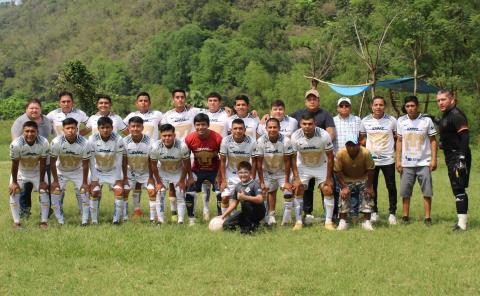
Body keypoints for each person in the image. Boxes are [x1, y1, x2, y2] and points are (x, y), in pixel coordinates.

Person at [290, 89, 335, 224]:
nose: (307, 126)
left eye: (310, 124)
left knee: (327, 188)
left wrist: (328, 177)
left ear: (315, 123)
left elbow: (330, 157)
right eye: (304, 124)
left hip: (321, 164)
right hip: (303, 165)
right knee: (298, 188)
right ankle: (299, 221)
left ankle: (328, 221)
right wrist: (296, 178)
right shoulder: (295, 136)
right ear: (300, 124)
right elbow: (292, 158)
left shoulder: (324, 133)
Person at [396, 96, 437, 225]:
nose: (410, 108)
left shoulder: (426, 121)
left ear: (417, 106)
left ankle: (427, 218)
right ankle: (405, 216)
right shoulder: (401, 121)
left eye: (412, 106)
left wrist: (434, 160)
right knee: (405, 191)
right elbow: (399, 141)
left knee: (427, 191)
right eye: (407, 106)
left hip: (423, 163)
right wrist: (398, 160)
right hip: (407, 163)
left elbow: (433, 141)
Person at [161, 89, 200, 221]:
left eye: (182, 97)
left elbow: (212, 111)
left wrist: (226, 108)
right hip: (173, 153)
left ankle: (190, 214)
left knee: (189, 182)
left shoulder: (193, 111)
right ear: (173, 99)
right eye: (177, 97)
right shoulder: (167, 115)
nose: (180, 99)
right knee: (173, 183)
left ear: (185, 98)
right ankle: (174, 213)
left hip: (190, 153)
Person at [123, 92, 163, 217]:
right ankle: (136, 210)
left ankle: (156, 214)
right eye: (141, 100)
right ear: (136, 103)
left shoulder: (157, 114)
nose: (143, 102)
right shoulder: (131, 116)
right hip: (135, 154)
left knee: (153, 187)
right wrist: (133, 141)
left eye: (146, 100)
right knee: (136, 185)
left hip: (151, 152)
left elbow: (166, 127)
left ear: (149, 103)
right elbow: (122, 127)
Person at [11, 98, 53, 218]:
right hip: (27, 162)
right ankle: (24, 213)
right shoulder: (20, 122)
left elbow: (53, 135)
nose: (34, 110)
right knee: (25, 189)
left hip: (45, 160)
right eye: (31, 108)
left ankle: (46, 213)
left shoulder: (47, 121)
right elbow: (15, 141)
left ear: (40, 109)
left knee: (45, 187)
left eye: (36, 108)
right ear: (26, 109)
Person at [436, 90, 471, 231]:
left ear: (452, 99)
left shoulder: (456, 115)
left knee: (459, 187)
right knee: (456, 188)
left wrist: (461, 158)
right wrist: (434, 119)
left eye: (443, 99)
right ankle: (461, 221)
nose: (440, 103)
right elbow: (447, 128)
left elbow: (465, 136)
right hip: (451, 157)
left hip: (458, 157)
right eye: (438, 100)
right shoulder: (447, 115)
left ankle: (462, 224)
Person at [359, 96, 398, 225]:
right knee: (371, 186)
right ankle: (373, 211)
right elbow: (362, 139)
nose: (378, 107)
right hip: (371, 161)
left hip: (388, 160)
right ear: (372, 106)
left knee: (391, 187)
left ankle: (392, 213)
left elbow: (397, 138)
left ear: (384, 107)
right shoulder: (365, 121)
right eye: (376, 105)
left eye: (381, 105)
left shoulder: (392, 120)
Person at [50, 118, 91, 225]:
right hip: (61, 171)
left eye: (73, 128)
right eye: (67, 128)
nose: (70, 130)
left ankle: (85, 219)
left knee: (84, 191)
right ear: (63, 129)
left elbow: (86, 163)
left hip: (78, 171)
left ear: (77, 129)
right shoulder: (56, 142)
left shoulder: (85, 143)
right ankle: (60, 220)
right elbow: (52, 162)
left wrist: (85, 182)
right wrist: (55, 181)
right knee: (55, 192)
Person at [9, 121, 50, 229]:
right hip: (21, 172)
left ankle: (44, 222)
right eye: (27, 131)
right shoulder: (16, 144)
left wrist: (42, 181)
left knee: (43, 191)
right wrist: (14, 182)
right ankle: (17, 222)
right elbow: (15, 164)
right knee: (14, 192)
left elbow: (43, 163)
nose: (30, 134)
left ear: (37, 132)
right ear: (23, 132)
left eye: (32, 131)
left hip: (37, 172)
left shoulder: (44, 142)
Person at [150, 124, 191, 225]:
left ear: (174, 135)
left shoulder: (182, 146)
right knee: (160, 193)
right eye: (164, 136)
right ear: (161, 136)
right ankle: (160, 220)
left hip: (178, 172)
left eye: (169, 135)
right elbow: (154, 166)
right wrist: (158, 182)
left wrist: (182, 180)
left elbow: (186, 165)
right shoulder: (155, 146)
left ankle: (180, 221)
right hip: (163, 172)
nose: (167, 138)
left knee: (180, 194)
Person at [255, 118, 294, 226]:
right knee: (269, 191)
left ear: (279, 128)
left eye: (275, 127)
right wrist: (262, 182)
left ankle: (287, 216)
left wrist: (286, 181)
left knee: (288, 192)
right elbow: (259, 163)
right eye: (270, 127)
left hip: (282, 172)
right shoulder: (261, 141)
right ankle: (271, 215)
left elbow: (287, 162)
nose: (272, 129)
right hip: (267, 172)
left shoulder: (286, 141)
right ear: (266, 128)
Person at [184, 113, 223, 222]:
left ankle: (220, 217)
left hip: (214, 170)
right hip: (197, 170)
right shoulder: (189, 138)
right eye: (198, 125)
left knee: (221, 192)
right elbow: (186, 159)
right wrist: (190, 176)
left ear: (208, 125)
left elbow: (224, 158)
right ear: (194, 125)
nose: (200, 127)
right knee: (190, 190)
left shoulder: (217, 138)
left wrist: (220, 175)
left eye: (203, 124)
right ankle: (191, 219)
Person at [88, 116, 126, 225]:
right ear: (98, 128)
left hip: (113, 171)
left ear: (112, 128)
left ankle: (116, 220)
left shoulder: (118, 139)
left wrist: (118, 179)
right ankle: (94, 221)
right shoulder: (92, 139)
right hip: (97, 170)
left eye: (108, 127)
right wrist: (94, 179)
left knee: (119, 191)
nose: (105, 130)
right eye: (103, 127)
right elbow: (90, 160)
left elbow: (119, 160)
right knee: (94, 192)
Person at [335, 135, 376, 231]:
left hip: (363, 177)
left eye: (353, 145)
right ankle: (342, 221)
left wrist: (369, 186)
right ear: (346, 145)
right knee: (343, 193)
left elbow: (371, 170)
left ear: (358, 144)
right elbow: (337, 171)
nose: (351, 147)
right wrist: (344, 187)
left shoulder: (365, 152)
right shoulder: (340, 153)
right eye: (349, 145)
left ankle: (367, 221)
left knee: (367, 192)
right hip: (347, 179)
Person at [219, 118, 257, 215]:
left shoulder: (252, 142)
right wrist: (223, 180)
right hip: (231, 174)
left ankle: (251, 218)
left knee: (246, 198)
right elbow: (222, 161)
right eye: (235, 128)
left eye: (240, 128)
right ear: (231, 130)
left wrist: (252, 177)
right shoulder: (225, 141)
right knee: (225, 197)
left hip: (246, 175)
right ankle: (225, 219)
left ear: (245, 130)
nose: (238, 131)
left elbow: (255, 161)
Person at [122, 116, 155, 222]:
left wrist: (151, 177)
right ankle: (126, 216)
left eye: (138, 126)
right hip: (131, 171)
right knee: (125, 191)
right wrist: (124, 177)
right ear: (129, 127)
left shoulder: (150, 141)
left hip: (146, 172)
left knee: (152, 192)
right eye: (133, 126)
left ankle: (153, 217)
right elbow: (124, 161)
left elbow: (152, 160)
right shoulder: (124, 141)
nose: (135, 128)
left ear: (142, 127)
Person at [220, 161, 265, 234]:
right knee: (227, 224)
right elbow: (234, 204)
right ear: (237, 173)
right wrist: (223, 216)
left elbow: (260, 199)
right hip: (245, 212)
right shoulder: (238, 186)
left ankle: (251, 225)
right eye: (240, 172)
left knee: (245, 232)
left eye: (245, 172)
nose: (243, 175)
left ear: (250, 173)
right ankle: (246, 224)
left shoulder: (255, 184)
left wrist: (245, 197)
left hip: (258, 212)